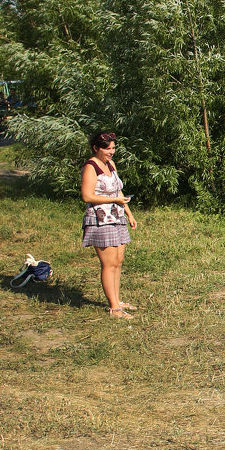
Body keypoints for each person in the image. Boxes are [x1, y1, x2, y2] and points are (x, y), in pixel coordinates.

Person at [80, 131, 138, 318]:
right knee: (109, 263)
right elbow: (87, 196)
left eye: (113, 148)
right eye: (107, 148)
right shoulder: (91, 167)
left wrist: (128, 213)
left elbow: (118, 191)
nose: (111, 152)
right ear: (96, 148)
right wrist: (114, 201)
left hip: (117, 216)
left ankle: (117, 300)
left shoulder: (110, 164)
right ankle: (114, 308)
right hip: (100, 219)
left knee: (118, 262)